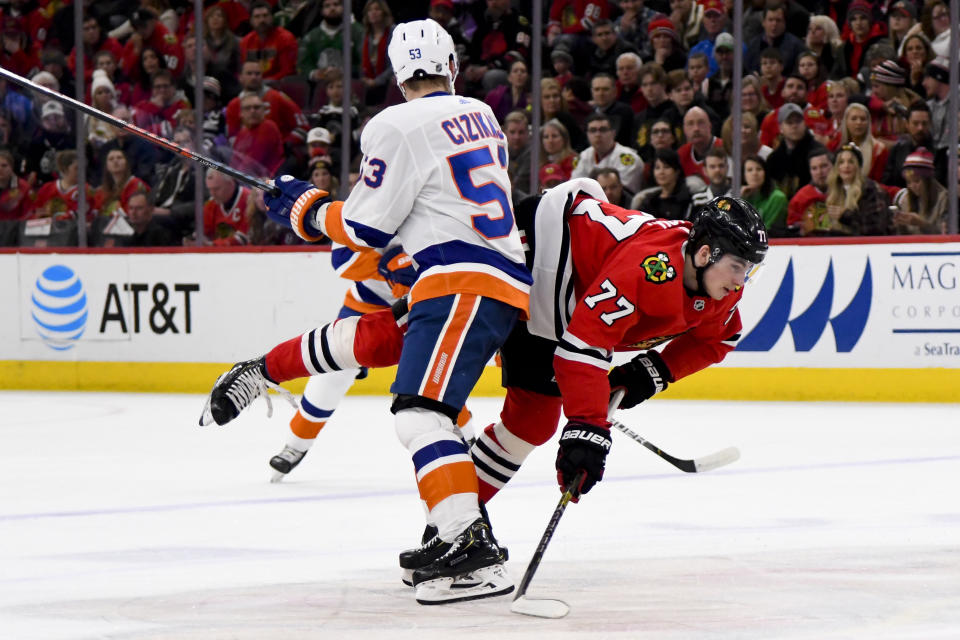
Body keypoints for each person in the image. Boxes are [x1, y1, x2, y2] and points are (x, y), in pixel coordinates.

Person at [204, 183, 768, 593]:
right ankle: (264, 369)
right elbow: (581, 347)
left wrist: (645, 376)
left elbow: (717, 339)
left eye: (749, 269)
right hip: (531, 254)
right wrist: (591, 428)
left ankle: (451, 529)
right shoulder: (651, 268)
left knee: (531, 421)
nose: (743, 280)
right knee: (399, 337)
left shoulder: (720, 290)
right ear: (703, 252)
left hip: (561, 299)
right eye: (738, 265)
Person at [200, 19, 528, 606]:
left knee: (421, 416)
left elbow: (363, 227)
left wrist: (305, 207)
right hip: (489, 278)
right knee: (369, 345)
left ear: (398, 75)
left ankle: (470, 547)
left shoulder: (395, 125)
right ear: (451, 64)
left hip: (460, 280)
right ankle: (264, 371)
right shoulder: (483, 114)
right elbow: (369, 307)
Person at [823, 143, 892, 236]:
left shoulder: (871, 190)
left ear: (858, 167)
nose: (846, 166)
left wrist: (846, 216)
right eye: (841, 162)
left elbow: (876, 228)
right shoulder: (832, 191)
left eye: (851, 162)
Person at [571, 112, 643, 193]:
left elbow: (621, 192)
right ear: (587, 134)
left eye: (603, 130)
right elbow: (574, 187)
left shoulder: (627, 158)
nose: (598, 134)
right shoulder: (583, 156)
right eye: (593, 130)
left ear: (613, 133)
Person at [767, 103, 824, 200]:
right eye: (789, 122)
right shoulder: (774, 159)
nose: (794, 126)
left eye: (798, 121)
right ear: (780, 127)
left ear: (804, 124)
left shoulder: (818, 153)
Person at [891, 147, 948, 235]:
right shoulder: (905, 200)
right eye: (909, 182)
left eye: (917, 181)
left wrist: (922, 224)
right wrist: (899, 225)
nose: (912, 186)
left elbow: (946, 235)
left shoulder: (944, 199)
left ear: (927, 180)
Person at [240, 1, 299, 83]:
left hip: (279, 85)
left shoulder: (285, 38)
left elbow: (288, 72)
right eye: (257, 17)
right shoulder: (246, 41)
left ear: (272, 17)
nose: (262, 20)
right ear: (251, 20)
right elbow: (243, 69)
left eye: (265, 15)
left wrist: (264, 82)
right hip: (253, 84)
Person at [882, 101, 935, 189]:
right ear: (907, 124)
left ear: (930, 124)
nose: (920, 128)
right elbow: (887, 183)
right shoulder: (896, 150)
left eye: (924, 123)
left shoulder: (939, 154)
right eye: (915, 123)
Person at [636, 147, 693, 220]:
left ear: (677, 171)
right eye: (657, 168)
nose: (661, 172)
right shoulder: (649, 200)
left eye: (666, 167)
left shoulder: (686, 199)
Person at [93, 149, 150, 219]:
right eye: (111, 159)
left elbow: (133, 214)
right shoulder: (101, 191)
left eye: (119, 158)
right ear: (107, 166)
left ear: (126, 163)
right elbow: (95, 214)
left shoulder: (136, 184)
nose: (115, 161)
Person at [787, 147, 832, 235]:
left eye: (823, 166)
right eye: (814, 168)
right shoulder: (800, 198)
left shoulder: (845, 192)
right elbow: (791, 229)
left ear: (834, 166)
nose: (819, 172)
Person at [740, 155, 788, 236]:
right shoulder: (742, 197)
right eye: (749, 170)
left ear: (765, 173)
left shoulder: (777, 198)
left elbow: (767, 232)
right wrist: (741, 200)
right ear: (744, 176)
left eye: (759, 169)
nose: (754, 173)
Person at [589, 72, 635, 147]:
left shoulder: (624, 112)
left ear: (614, 92)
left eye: (605, 89)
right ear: (592, 92)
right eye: (597, 89)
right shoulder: (590, 115)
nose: (601, 93)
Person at [678, 106, 722, 182]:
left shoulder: (725, 148)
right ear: (684, 130)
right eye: (690, 124)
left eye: (701, 122)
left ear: (710, 126)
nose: (696, 129)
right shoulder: (681, 154)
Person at [539, 118, 577, 182]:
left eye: (554, 136)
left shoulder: (573, 161)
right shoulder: (539, 162)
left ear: (564, 139)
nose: (550, 140)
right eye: (546, 137)